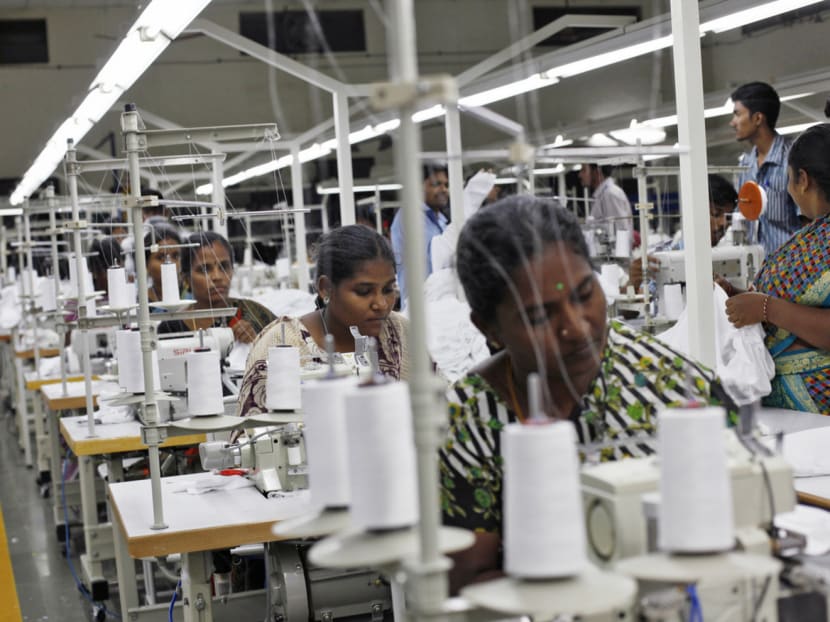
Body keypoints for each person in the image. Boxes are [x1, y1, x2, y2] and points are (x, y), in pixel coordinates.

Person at [440, 196, 737, 592]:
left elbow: (743, 532)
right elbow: (470, 581)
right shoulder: (467, 423)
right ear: (488, 329)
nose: (576, 328)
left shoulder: (676, 387)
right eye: (539, 315)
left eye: (583, 294)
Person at [237, 225, 408, 417]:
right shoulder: (281, 344)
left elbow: (439, 411)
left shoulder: (400, 331)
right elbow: (250, 437)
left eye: (388, 290)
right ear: (326, 288)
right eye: (364, 291)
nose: (381, 304)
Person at [724, 123, 830, 414]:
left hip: (816, 407)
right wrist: (736, 295)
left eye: (789, 179)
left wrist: (766, 307)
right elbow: (797, 300)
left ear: (803, 180)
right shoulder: (813, 236)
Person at [157, 231, 275, 343]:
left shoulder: (253, 314)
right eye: (204, 269)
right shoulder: (171, 329)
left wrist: (257, 341)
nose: (217, 276)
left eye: (224, 267)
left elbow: (287, 343)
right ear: (186, 278)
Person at [629, 173, 738, 291]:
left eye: (728, 217)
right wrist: (633, 284)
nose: (723, 223)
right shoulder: (664, 258)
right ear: (694, 209)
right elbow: (642, 298)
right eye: (716, 214)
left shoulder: (730, 254)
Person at [729, 81, 800, 257]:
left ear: (758, 118)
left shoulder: (792, 159)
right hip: (758, 271)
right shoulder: (745, 166)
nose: (733, 122)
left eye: (738, 114)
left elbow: (809, 222)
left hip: (792, 269)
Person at [390, 162, 449, 309]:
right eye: (436, 184)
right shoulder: (410, 217)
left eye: (446, 184)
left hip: (439, 305)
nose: (443, 189)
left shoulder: (441, 219)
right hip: (418, 310)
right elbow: (435, 259)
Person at [578, 163, 633, 237]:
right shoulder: (603, 194)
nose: (580, 175)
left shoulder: (610, 194)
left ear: (597, 172)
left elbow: (620, 231)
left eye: (584, 170)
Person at [142, 224, 182, 306]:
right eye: (161, 257)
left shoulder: (194, 300)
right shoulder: (141, 305)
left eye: (176, 256)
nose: (170, 262)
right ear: (146, 264)